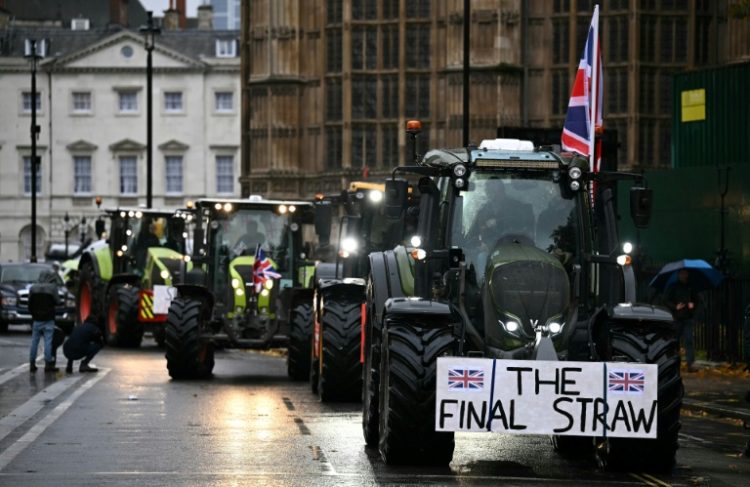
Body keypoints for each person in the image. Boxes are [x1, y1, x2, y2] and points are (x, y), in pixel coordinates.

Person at [664, 269, 700, 372]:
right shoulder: (673, 286)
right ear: (678, 275)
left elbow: (696, 300)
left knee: (689, 340)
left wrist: (692, 304)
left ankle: (690, 364)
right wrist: (675, 306)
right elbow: (665, 299)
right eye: (681, 273)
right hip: (677, 318)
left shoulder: (690, 287)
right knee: (675, 341)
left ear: (687, 274)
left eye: (685, 273)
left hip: (688, 317)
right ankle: (674, 363)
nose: (683, 275)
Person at [28, 270, 61, 372]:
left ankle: (32, 363)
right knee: (48, 342)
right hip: (49, 319)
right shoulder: (52, 288)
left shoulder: (33, 288)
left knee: (34, 342)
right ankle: (48, 364)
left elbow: (29, 305)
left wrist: (34, 314)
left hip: (37, 319)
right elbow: (58, 302)